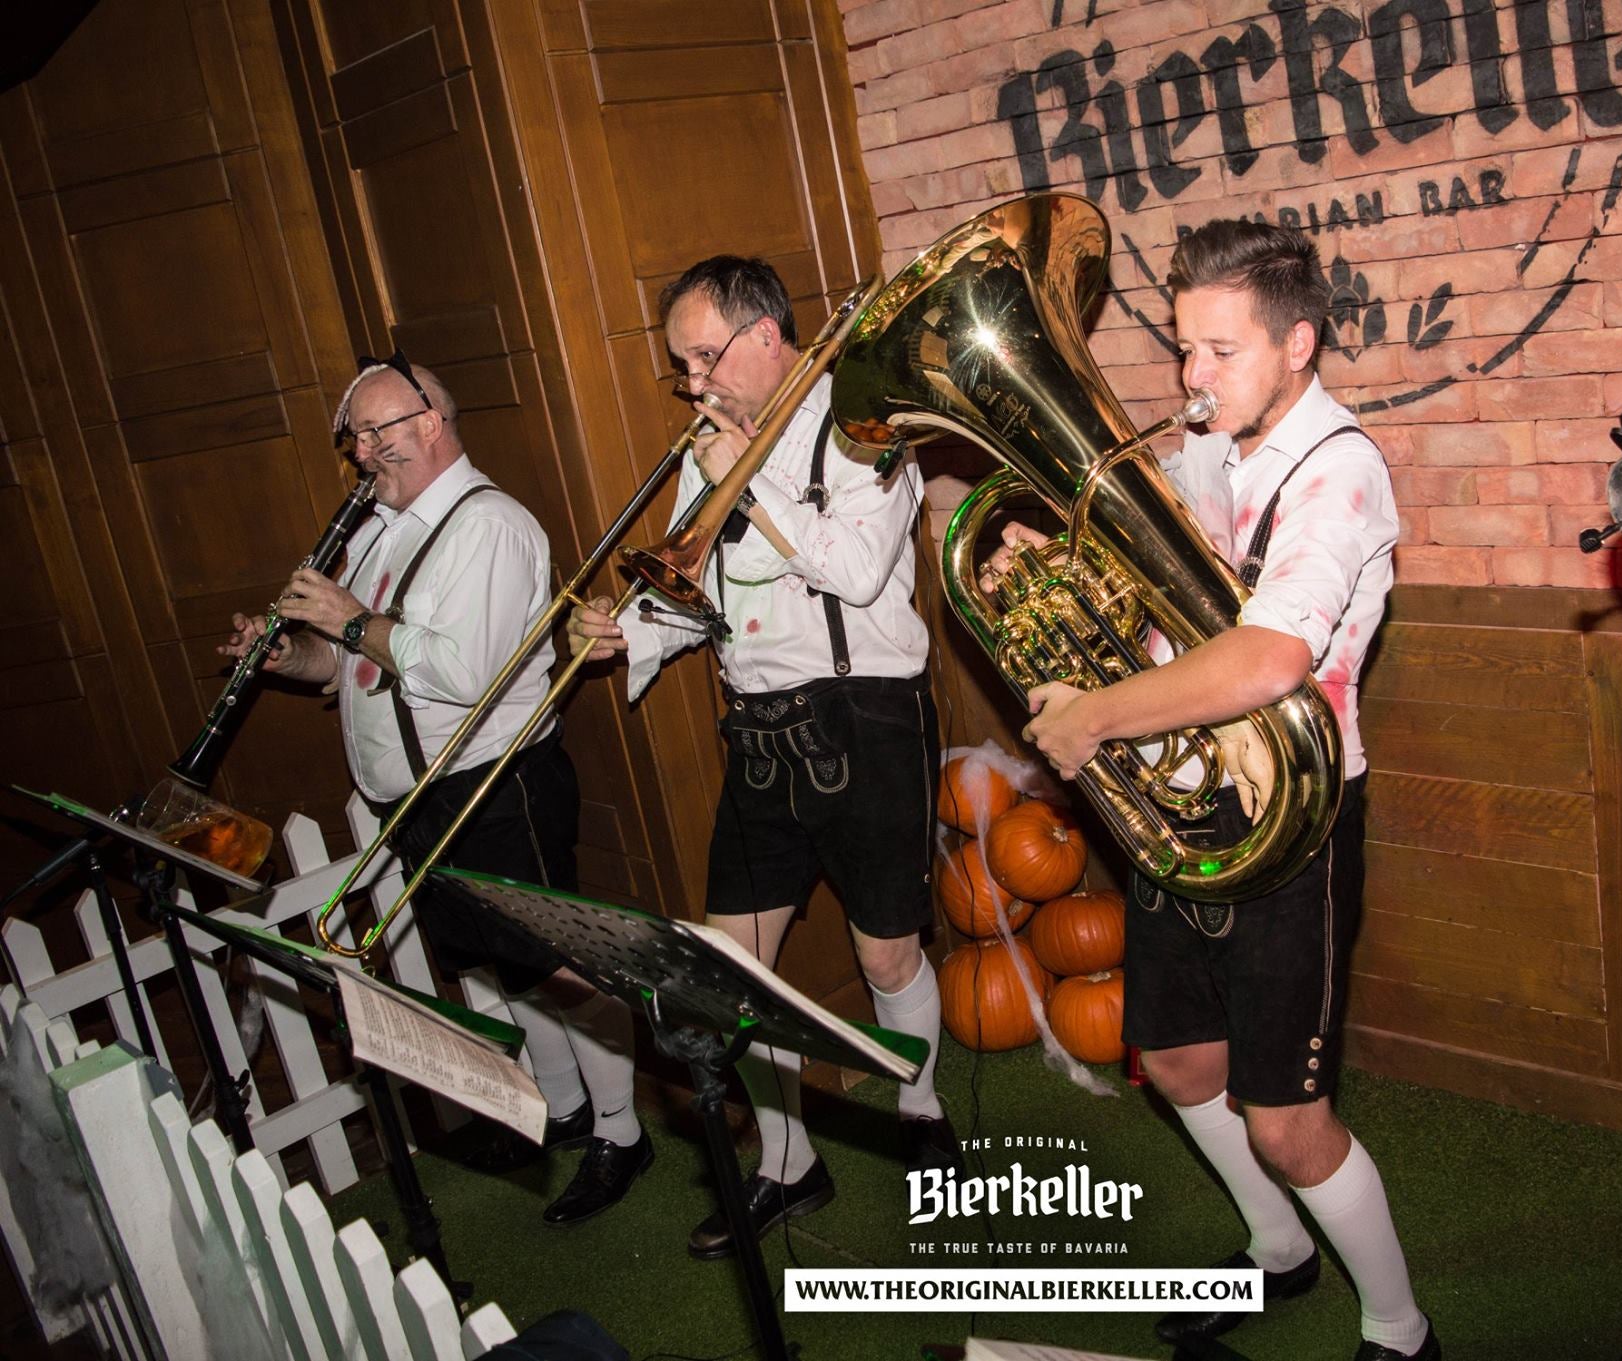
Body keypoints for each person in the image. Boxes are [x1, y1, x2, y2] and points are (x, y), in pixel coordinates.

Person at [980, 219, 1430, 1359]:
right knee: (1177, 1059)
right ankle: (1275, 1248)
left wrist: (1091, 715)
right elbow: (1138, 573)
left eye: (1220, 351)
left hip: (1291, 822)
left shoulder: (1338, 469)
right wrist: (1044, 547)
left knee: (1285, 1116)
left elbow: (1271, 656)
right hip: (1178, 804)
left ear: (1298, 345)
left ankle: (1398, 1326)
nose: (1191, 376)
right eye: (1184, 347)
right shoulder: (1206, 448)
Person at [566, 257, 960, 1261]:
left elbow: (858, 568)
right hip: (757, 728)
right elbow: (701, 586)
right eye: (681, 365)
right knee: (724, 970)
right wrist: (632, 636)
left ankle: (920, 1112)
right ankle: (788, 1159)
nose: (695, 383)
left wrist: (755, 470)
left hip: (865, 717)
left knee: (887, 952)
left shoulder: (866, 423)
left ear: (765, 337)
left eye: (704, 356)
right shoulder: (712, 449)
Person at [223, 354, 651, 1227]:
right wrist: (292, 654)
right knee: (492, 966)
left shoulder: (486, 524)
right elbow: (354, 664)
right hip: (421, 796)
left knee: (555, 962)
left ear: (431, 421)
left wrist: (346, 616)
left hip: (494, 784)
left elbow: (460, 672)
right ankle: (561, 1111)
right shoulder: (384, 528)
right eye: (355, 437)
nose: (362, 453)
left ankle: (622, 1130)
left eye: (378, 431)